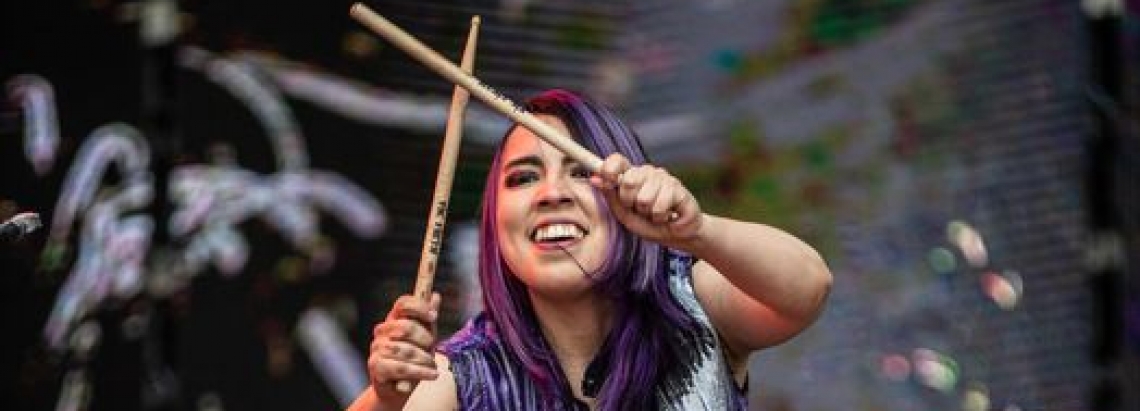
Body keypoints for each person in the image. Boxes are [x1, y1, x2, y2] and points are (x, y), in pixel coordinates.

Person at [347, 89, 832, 410]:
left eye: (580, 170)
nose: (551, 193)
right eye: (524, 178)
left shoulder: (690, 303)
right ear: (495, 220)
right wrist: (387, 403)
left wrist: (698, 231)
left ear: (631, 193)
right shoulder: (465, 374)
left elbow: (808, 287)